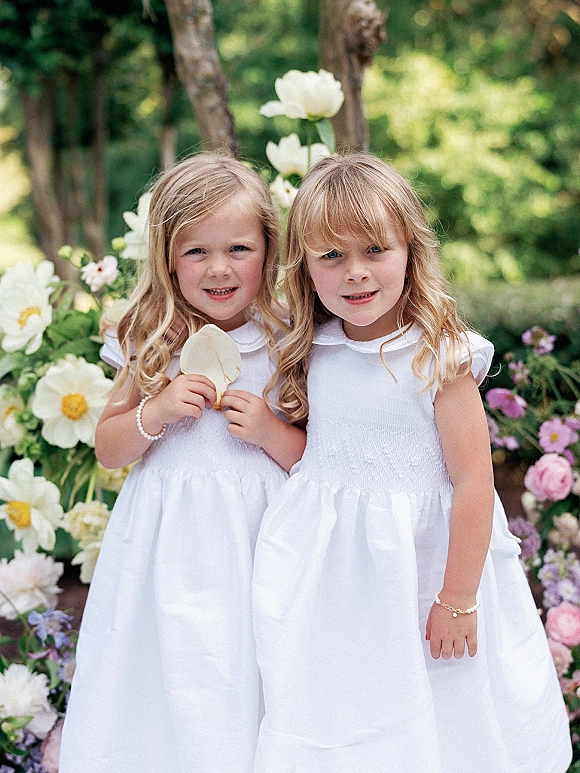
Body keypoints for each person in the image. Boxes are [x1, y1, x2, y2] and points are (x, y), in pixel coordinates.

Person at [252, 153, 572, 773]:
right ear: (305, 267)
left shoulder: (437, 357)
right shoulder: (312, 350)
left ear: (410, 251)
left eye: (375, 249)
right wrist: (268, 430)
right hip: (339, 581)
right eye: (332, 256)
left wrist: (457, 596)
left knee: (443, 707)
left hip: (429, 569)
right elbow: (320, 464)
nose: (356, 273)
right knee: (353, 707)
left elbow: (474, 481)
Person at [59, 153, 306, 773]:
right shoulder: (151, 336)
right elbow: (109, 448)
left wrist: (272, 432)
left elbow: (316, 461)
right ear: (168, 256)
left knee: (250, 678)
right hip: (166, 550)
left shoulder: (290, 337)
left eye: (239, 249)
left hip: (259, 544)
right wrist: (158, 409)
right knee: (175, 679)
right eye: (196, 251)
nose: (218, 268)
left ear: (268, 251)